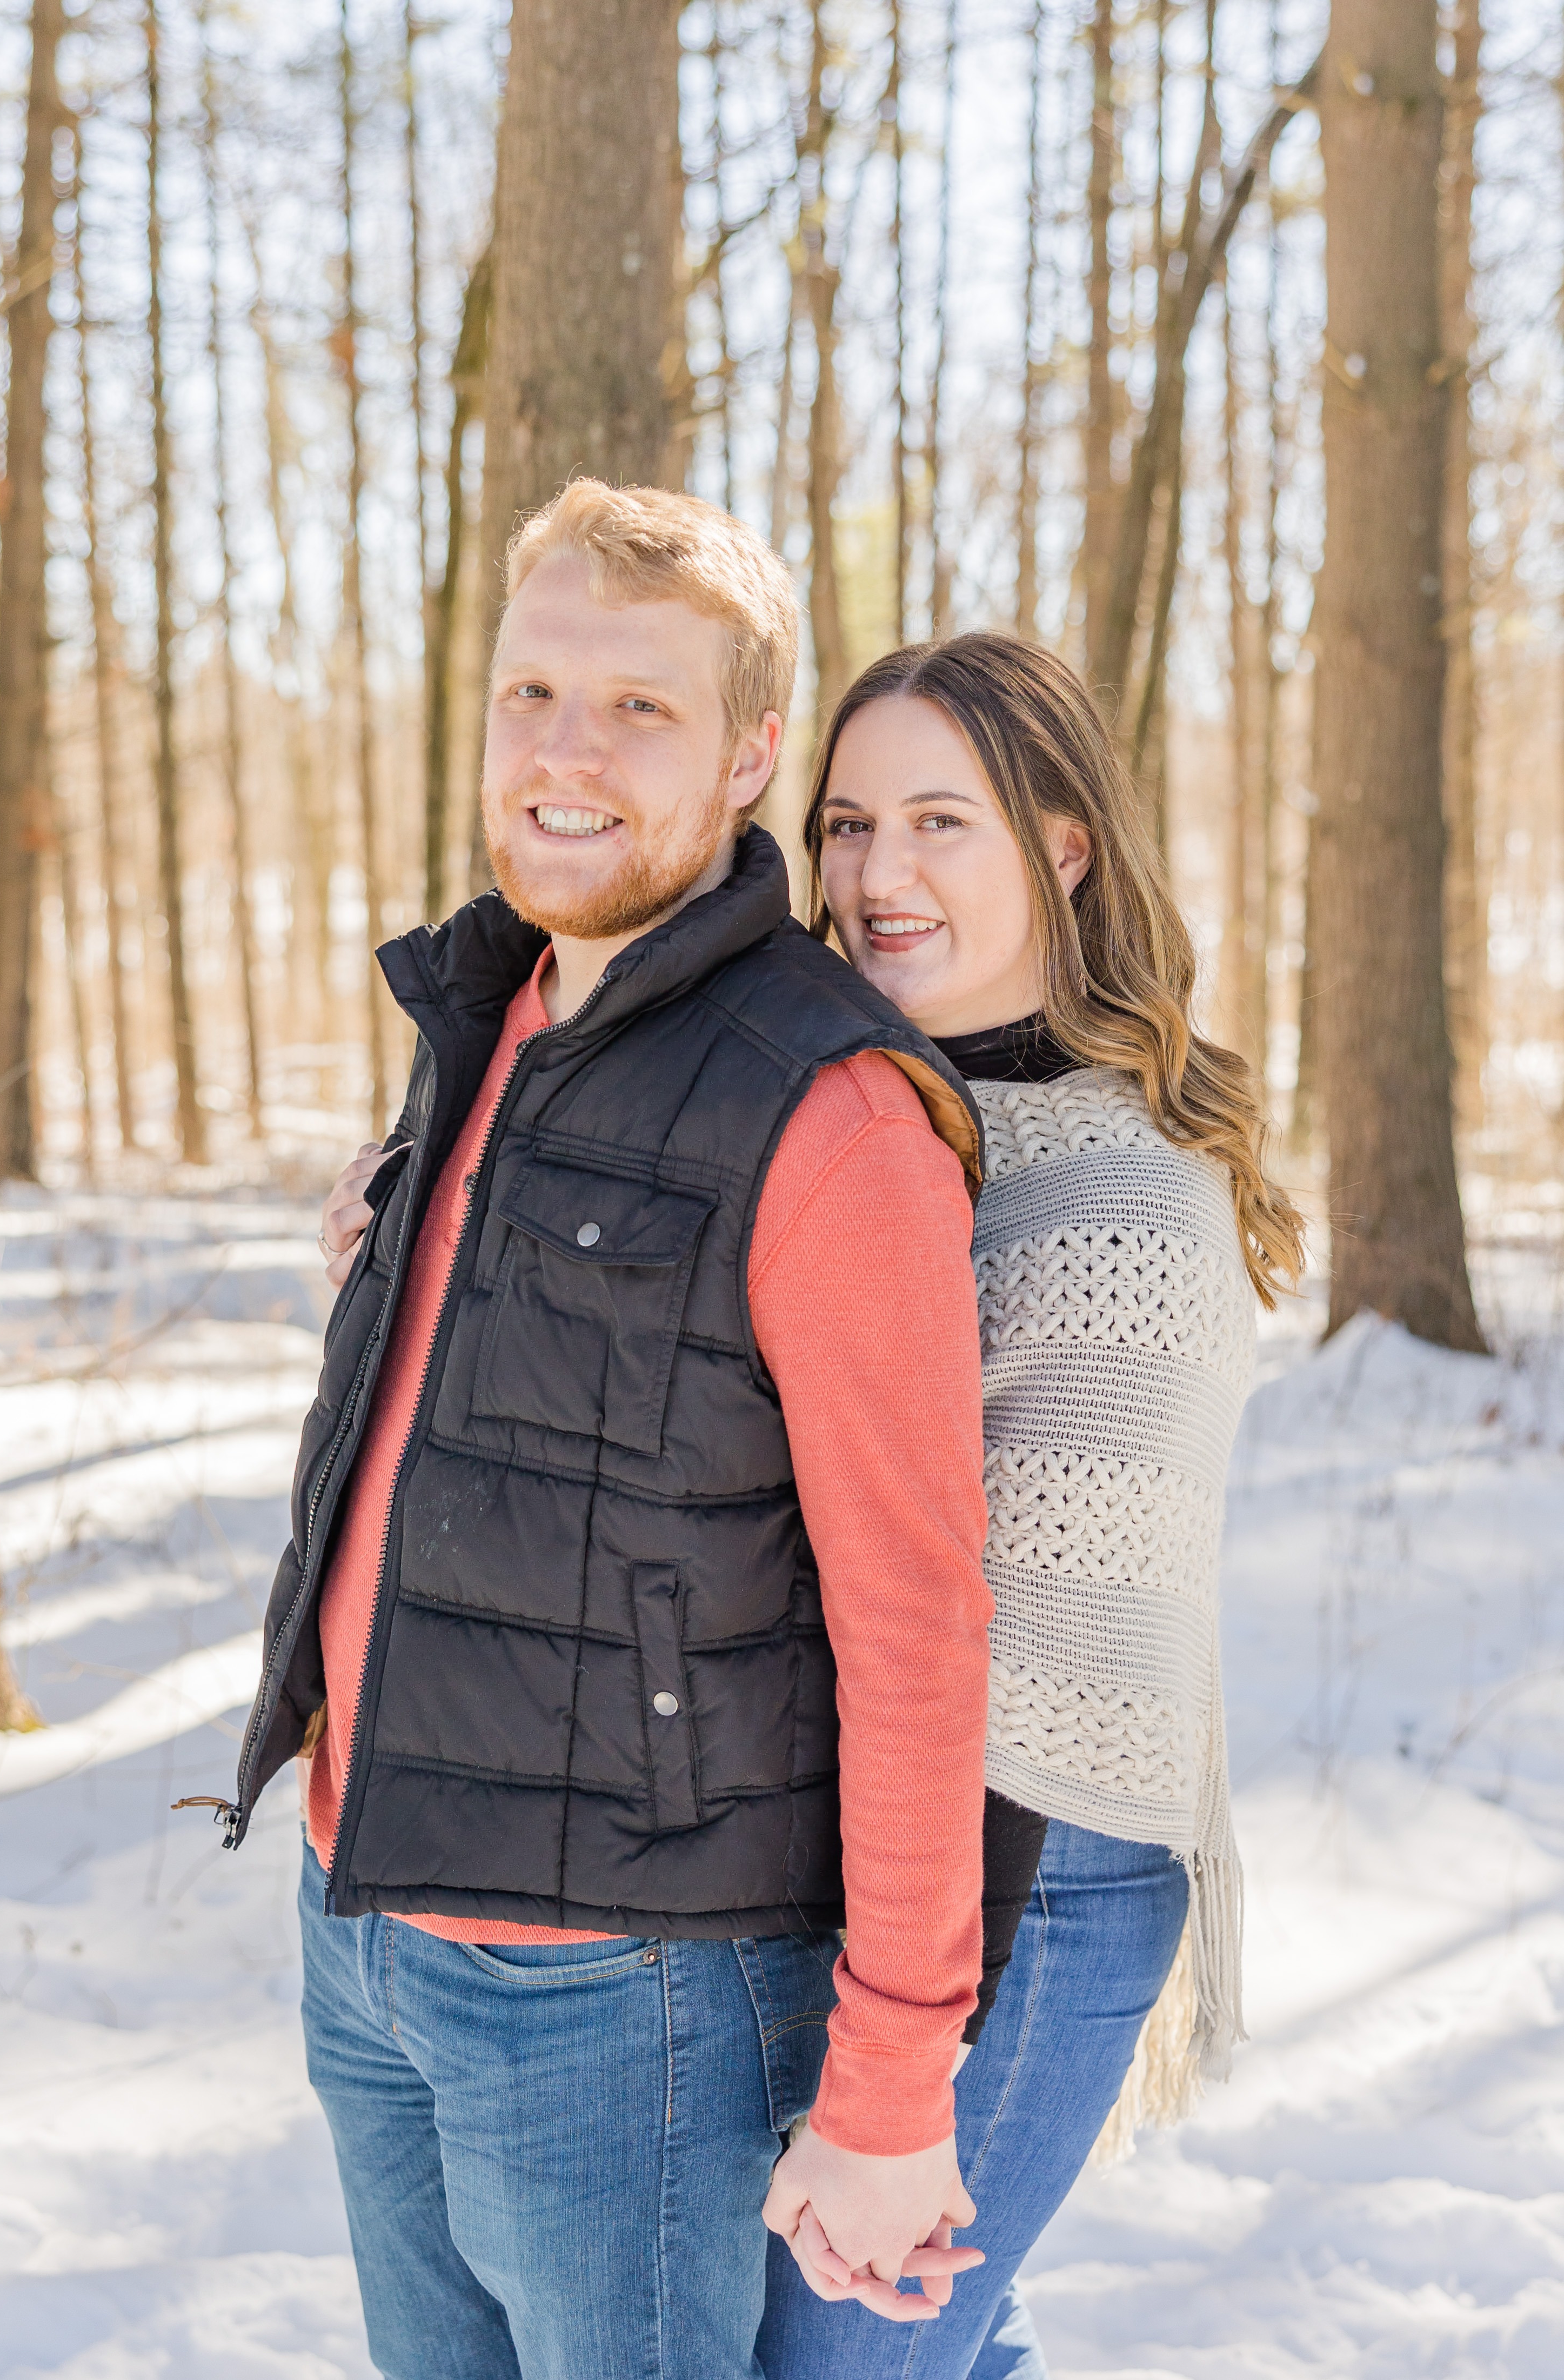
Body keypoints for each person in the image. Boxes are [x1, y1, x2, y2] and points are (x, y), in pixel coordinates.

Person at [200, 483, 1001, 2380]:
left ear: (746, 757)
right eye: (533, 688)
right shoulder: (490, 1008)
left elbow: (916, 1628)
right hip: (362, 1917)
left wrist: (892, 2074)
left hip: (621, 2005)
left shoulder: (834, 1117)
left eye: (639, 707)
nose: (566, 748)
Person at [758, 632, 1304, 2379]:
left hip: (1034, 1876)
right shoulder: (867, 1105)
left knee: (849, 2356)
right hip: (869, 1862)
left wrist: (901, 2049)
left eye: (941, 820)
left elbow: (995, 1640)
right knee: (933, 2342)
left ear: (1064, 845)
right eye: (845, 823)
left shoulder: (1118, 1198)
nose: (875, 875)